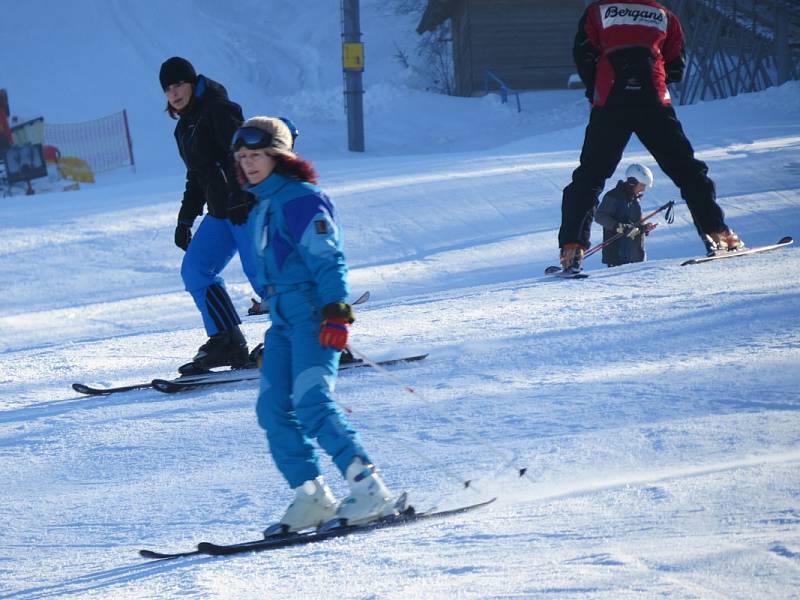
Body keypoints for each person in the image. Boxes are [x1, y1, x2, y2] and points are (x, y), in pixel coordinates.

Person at [232, 116, 399, 533]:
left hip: (312, 315)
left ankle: (370, 489)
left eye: (257, 155)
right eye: (243, 156)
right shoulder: (261, 205)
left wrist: (336, 313)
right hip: (283, 323)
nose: (249, 164)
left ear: (278, 156)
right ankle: (311, 497)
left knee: (312, 403)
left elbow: (328, 259)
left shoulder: (303, 199)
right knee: (272, 409)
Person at [558, 0, 744, 272]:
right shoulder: (664, 15)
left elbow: (583, 55)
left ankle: (572, 249)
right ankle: (718, 234)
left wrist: (595, 89)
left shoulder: (597, 11)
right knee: (687, 171)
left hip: (610, 100)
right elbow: (677, 64)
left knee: (590, 177)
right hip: (653, 100)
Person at [159, 56, 259, 373]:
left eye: (179, 84)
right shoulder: (184, 128)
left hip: (246, 208)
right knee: (196, 269)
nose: (174, 92)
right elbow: (197, 176)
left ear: (192, 82)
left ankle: (306, 334)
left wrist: (243, 196)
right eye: (167, 88)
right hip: (220, 213)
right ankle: (226, 341)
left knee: (263, 275)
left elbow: (242, 156)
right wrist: (185, 219)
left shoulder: (218, 110)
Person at [594, 164, 658, 267]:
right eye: (642, 185)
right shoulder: (614, 196)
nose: (643, 189)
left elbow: (635, 226)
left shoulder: (635, 200)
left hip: (636, 257)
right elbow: (600, 216)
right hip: (617, 256)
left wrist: (645, 227)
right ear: (632, 183)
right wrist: (618, 226)